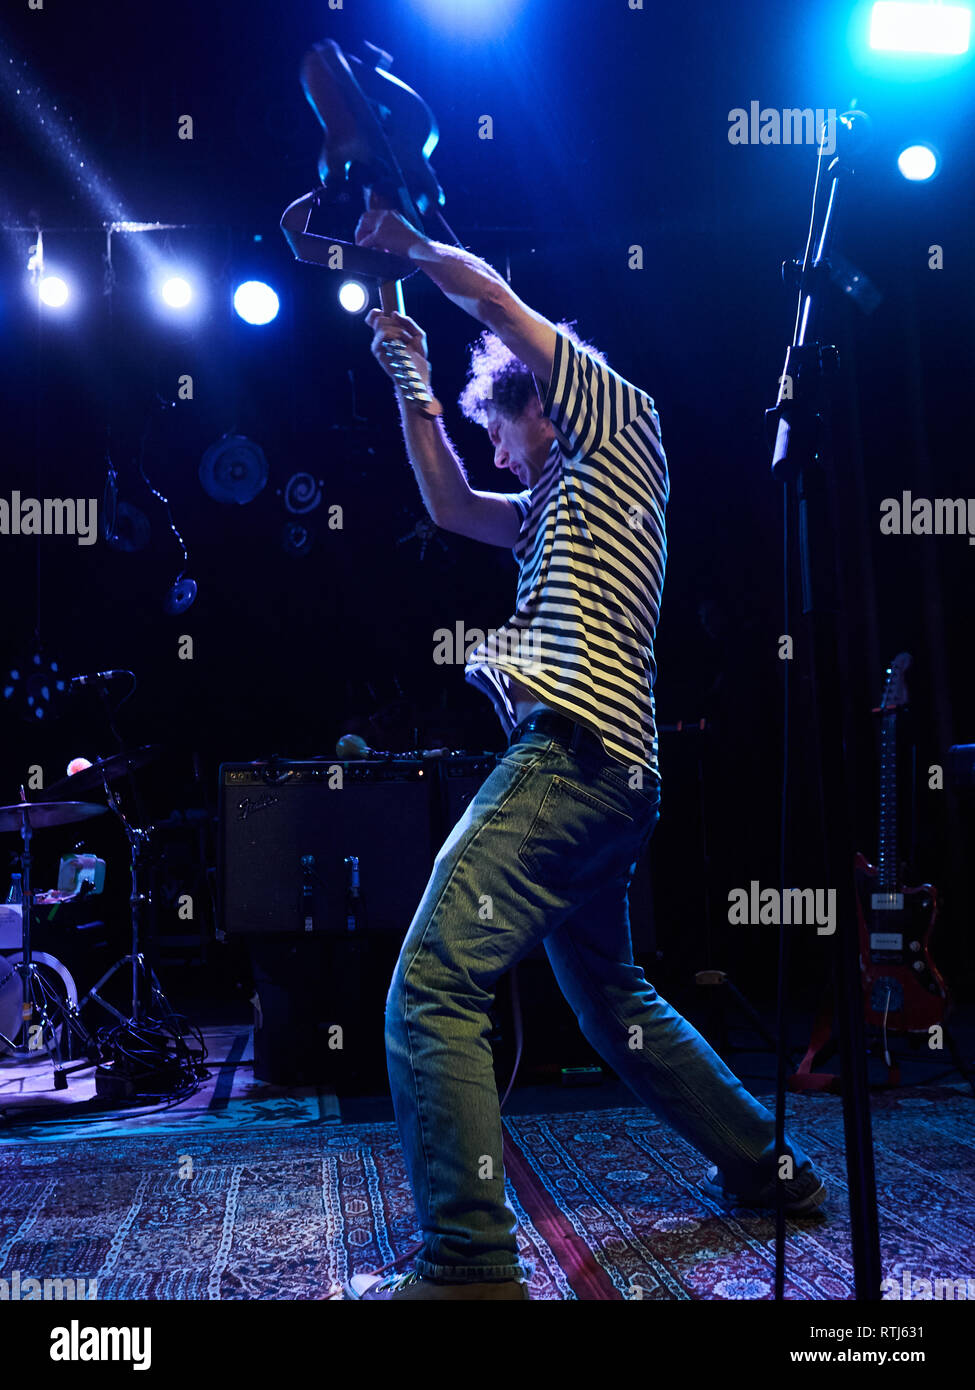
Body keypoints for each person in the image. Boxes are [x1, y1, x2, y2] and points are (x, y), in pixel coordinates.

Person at [345, 209, 827, 1301]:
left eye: (500, 430)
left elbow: (505, 309)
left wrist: (408, 243)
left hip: (572, 755)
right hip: (615, 778)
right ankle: (769, 1166)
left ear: (536, 405)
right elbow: (446, 501)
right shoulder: (552, 508)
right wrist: (406, 368)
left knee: (430, 985)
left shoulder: (614, 424)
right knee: (616, 1001)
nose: (495, 451)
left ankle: (469, 1263)